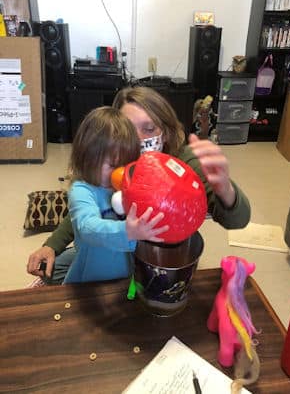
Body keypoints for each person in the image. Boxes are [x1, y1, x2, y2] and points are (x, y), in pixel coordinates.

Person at [27, 87, 251, 285]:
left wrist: (225, 189)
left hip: (154, 257)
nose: (137, 139)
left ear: (166, 133)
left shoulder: (183, 161)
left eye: (149, 128)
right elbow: (89, 207)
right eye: (128, 128)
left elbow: (238, 219)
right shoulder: (116, 157)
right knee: (55, 271)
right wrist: (52, 245)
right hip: (113, 247)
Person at [33, 106, 168, 285]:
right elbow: (87, 227)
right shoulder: (81, 190)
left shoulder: (124, 186)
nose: (120, 171)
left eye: (126, 164)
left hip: (126, 273)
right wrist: (127, 231)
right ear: (88, 158)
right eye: (113, 165)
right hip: (89, 279)